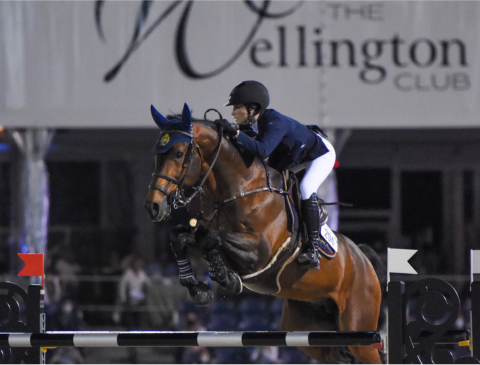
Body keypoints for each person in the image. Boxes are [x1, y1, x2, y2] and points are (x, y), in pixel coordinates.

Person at [219, 80, 336, 270]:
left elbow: (263, 150)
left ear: (252, 108)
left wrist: (236, 133)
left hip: (320, 153)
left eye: (237, 107)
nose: (233, 113)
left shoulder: (274, 120)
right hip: (295, 156)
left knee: (306, 188)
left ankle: (313, 248)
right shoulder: (257, 125)